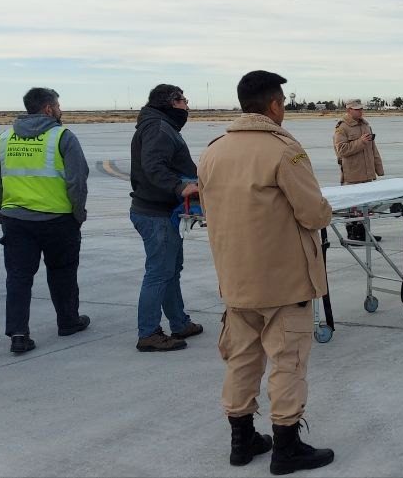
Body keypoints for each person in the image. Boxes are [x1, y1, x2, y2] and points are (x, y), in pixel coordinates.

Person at [198, 70, 335, 474]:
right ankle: (286, 447)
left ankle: (241, 441)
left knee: (241, 360)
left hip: (235, 280)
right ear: (274, 105)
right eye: (283, 103)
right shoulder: (283, 150)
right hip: (283, 281)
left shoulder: (214, 151)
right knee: (288, 361)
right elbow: (313, 213)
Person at [0, 87, 91, 354]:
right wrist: (78, 214)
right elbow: (77, 181)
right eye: (58, 105)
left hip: (16, 220)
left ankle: (18, 334)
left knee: (18, 277)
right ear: (48, 109)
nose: (60, 110)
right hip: (58, 219)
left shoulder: (4, 138)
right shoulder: (63, 137)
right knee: (63, 272)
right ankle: (68, 321)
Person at [128, 84, 202, 352]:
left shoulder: (160, 125)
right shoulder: (159, 128)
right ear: (172, 103)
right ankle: (148, 333)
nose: (187, 106)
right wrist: (180, 187)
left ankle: (179, 322)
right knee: (159, 273)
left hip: (163, 212)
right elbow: (153, 166)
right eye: (184, 100)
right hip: (155, 213)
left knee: (171, 270)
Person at [333, 99, 384, 242]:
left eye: (361, 109)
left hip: (367, 173)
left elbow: (373, 148)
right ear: (348, 110)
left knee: (366, 206)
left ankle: (365, 233)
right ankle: (353, 233)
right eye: (356, 109)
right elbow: (341, 150)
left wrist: (378, 168)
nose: (360, 111)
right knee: (352, 206)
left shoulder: (366, 125)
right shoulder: (342, 128)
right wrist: (360, 142)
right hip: (352, 174)